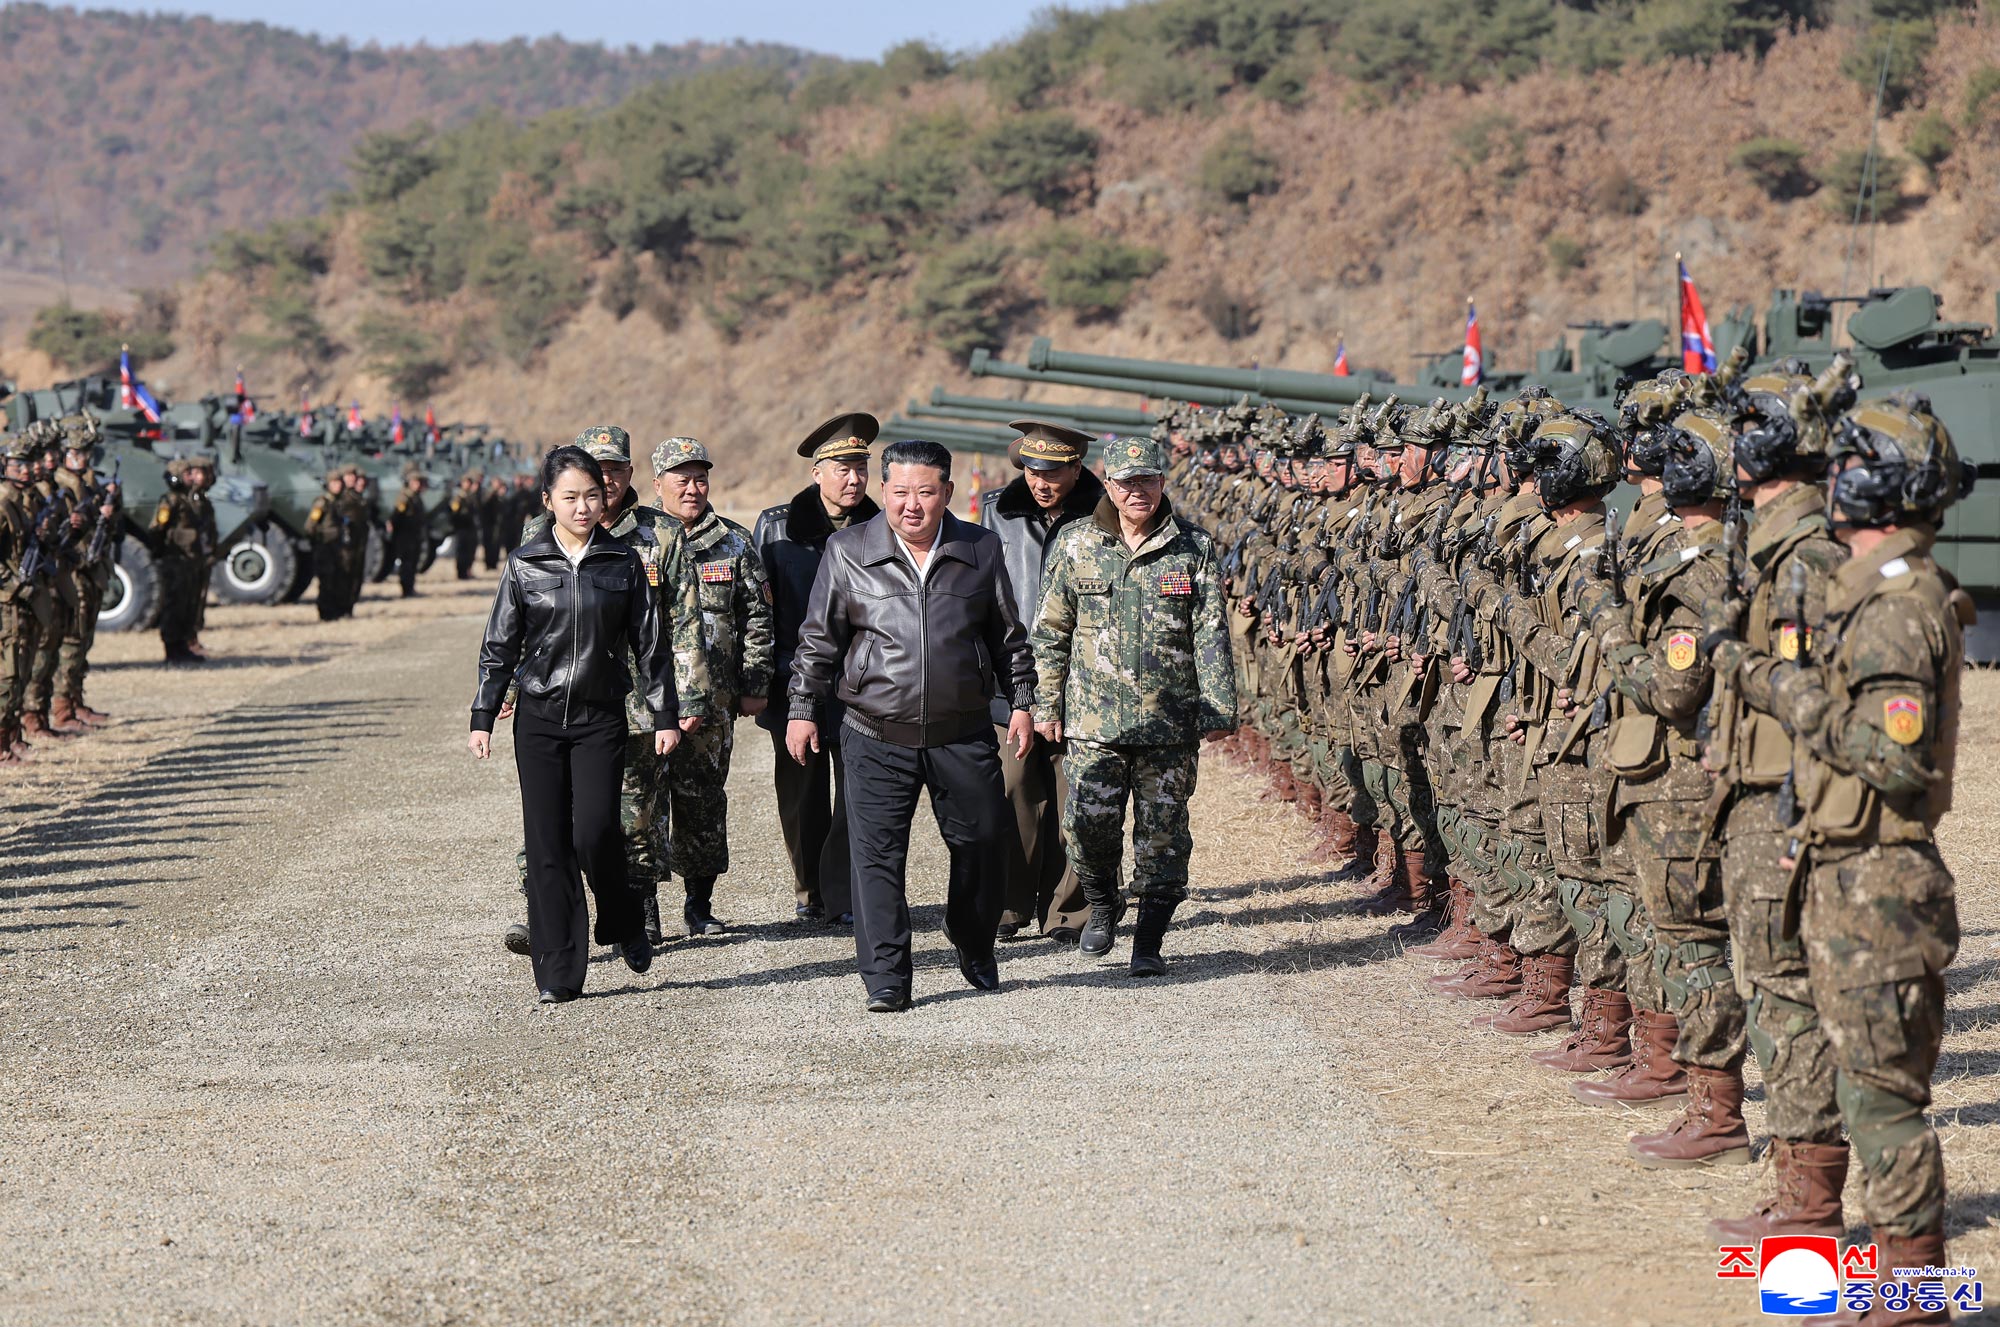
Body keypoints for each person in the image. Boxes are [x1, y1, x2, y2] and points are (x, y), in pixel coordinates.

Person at [1702, 392, 1973, 1315]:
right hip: (1843, 863)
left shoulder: (1902, 604)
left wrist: (1784, 690)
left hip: (1881, 879)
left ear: (1889, 487)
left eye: (1857, 467)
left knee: (1885, 1101)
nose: (1837, 482)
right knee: (1850, 1077)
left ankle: (1915, 1291)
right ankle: (1841, 1242)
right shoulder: (1877, 588)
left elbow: (1893, 757)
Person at [788, 438, 1035, 1011]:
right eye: (899, 492)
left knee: (982, 843)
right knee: (876, 857)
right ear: (883, 492)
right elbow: (818, 639)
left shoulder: (980, 547)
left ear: (947, 493)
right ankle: (887, 977)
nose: (912, 505)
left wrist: (1021, 700)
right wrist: (802, 710)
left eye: (926, 492)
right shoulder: (849, 549)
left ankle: (971, 939)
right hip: (876, 732)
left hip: (963, 732)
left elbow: (1007, 638)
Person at [470, 445, 682, 1004]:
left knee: (593, 833)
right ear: (548, 502)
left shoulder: (623, 563)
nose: (584, 506)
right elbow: (500, 644)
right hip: (538, 720)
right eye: (571, 497)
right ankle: (559, 970)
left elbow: (651, 647)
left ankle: (622, 916)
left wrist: (664, 715)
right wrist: (483, 715)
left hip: (600, 717)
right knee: (546, 843)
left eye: (592, 495)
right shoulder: (524, 564)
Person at [1030, 436, 1236, 977]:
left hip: (1167, 725)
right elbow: (1050, 633)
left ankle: (1149, 942)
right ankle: (1101, 904)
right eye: (1126, 482)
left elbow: (1211, 634)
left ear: (1162, 483)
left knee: (1164, 838)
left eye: (1147, 480)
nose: (1137, 491)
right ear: (1108, 484)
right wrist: (1046, 705)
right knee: (1087, 828)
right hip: (1094, 722)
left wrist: (1217, 709)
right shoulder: (1076, 544)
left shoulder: (1192, 547)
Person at [501, 425, 712, 953]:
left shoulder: (661, 535)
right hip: (560, 696)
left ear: (627, 474)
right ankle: (546, 912)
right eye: (595, 472)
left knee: (634, 812)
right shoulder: (540, 531)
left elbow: (683, 623)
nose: (606, 481)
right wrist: (506, 693)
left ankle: (635, 910)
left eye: (614, 470)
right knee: (555, 814)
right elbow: (525, 624)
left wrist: (686, 699)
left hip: (640, 697)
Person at [979, 420, 1106, 944]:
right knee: (1014, 790)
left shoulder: (1107, 513)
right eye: (1032, 470)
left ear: (1077, 468)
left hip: (1087, 679)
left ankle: (1069, 913)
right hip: (1014, 676)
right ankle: (1010, 905)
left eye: (1053, 472)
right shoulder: (996, 513)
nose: (1040, 482)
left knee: (1075, 798)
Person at [753, 413, 882, 924]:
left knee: (859, 794)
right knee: (802, 795)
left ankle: (844, 892)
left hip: (863, 685)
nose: (853, 480)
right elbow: (758, 609)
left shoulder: (881, 525)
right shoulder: (777, 525)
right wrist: (763, 679)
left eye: (861, 468)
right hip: (795, 682)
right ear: (817, 472)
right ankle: (811, 889)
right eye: (842, 468)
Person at [652, 436, 774, 936]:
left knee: (702, 802)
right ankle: (645, 913)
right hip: (652, 701)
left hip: (716, 704)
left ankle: (698, 907)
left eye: (700, 478)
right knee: (646, 806)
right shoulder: (641, 542)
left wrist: (755, 683)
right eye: (681, 480)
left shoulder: (734, 541)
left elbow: (759, 619)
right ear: (657, 484)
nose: (692, 488)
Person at [51, 414, 117, 730]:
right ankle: (62, 708)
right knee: (71, 639)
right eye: (77, 453)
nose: (83, 459)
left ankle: (75, 700)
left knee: (84, 638)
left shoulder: (87, 482)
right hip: (71, 571)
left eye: (86, 454)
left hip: (91, 568)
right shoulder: (59, 486)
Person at [153, 453, 218, 665]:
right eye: (186, 473)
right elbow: (158, 529)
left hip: (190, 560)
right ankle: (172, 649)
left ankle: (183, 645)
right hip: (176, 561)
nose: (191, 477)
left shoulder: (191, 500)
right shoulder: (170, 501)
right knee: (174, 605)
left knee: (187, 604)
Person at [305, 468, 356, 620]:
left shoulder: (337, 503)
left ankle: (334, 610)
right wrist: (318, 542)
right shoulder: (323, 503)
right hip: (325, 548)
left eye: (339, 482)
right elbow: (310, 526)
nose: (337, 486)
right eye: (334, 483)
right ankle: (326, 612)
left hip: (336, 548)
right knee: (326, 580)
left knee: (336, 580)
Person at [388, 467, 428, 598]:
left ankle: (410, 587)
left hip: (414, 535)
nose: (418, 485)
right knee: (407, 563)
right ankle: (406, 589)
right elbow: (396, 516)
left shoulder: (416, 497)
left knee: (413, 562)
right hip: (405, 536)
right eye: (416, 482)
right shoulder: (405, 497)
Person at [448, 473, 481, 580]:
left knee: (470, 550)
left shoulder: (471, 496)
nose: (468, 485)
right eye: (466, 483)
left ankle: (467, 570)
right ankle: (461, 572)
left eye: (470, 483)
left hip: (470, 528)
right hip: (462, 528)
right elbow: (454, 513)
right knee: (461, 551)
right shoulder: (458, 497)